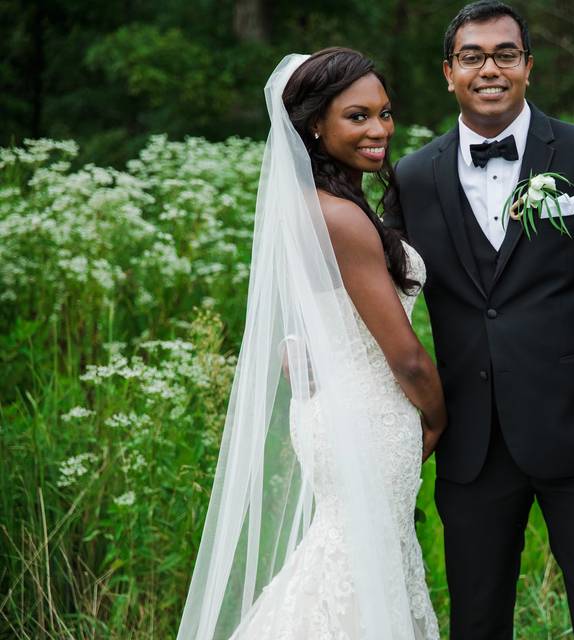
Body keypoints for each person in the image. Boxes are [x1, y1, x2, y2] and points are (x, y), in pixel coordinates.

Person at [385, 2, 574, 638]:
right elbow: (381, 289)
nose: (489, 69)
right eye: (472, 57)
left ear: (528, 67)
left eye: (504, 55)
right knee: (477, 621)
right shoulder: (412, 176)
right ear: (448, 72)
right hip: (471, 444)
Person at [177, 49, 444, 640]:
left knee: (357, 557)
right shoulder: (341, 217)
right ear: (315, 126)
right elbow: (404, 355)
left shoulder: (312, 206)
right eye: (358, 117)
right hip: (369, 417)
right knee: (354, 563)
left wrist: (303, 348)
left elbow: (314, 316)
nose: (379, 130)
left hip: (339, 409)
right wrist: (438, 415)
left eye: (384, 113)